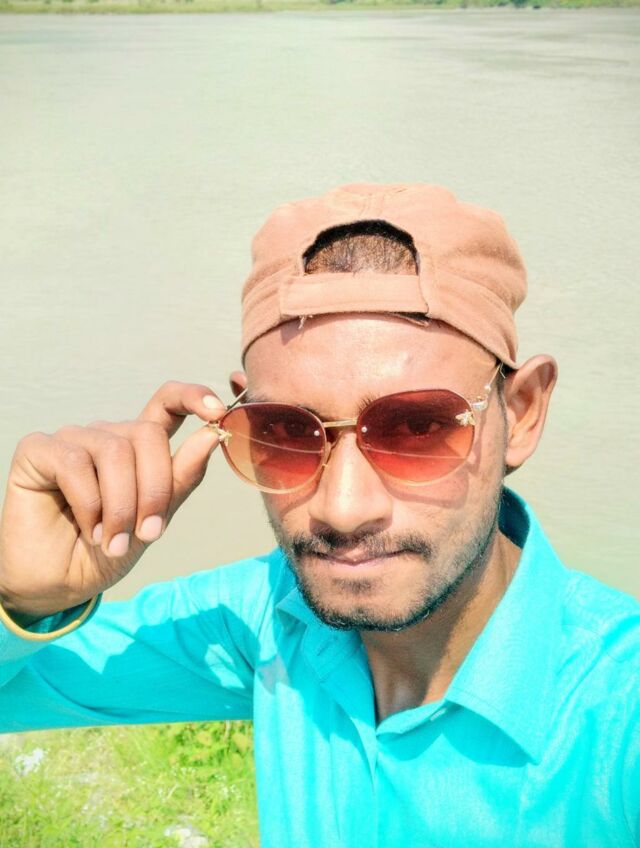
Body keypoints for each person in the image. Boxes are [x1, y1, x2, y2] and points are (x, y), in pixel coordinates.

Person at [0, 183, 638, 847]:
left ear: (523, 413)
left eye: (418, 427)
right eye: (286, 430)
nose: (343, 508)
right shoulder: (272, 622)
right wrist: (26, 596)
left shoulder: (617, 710)